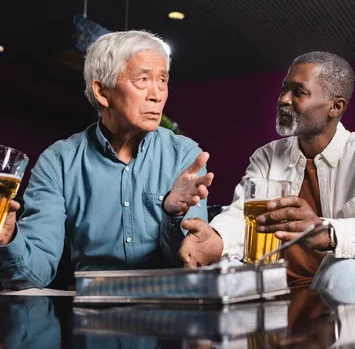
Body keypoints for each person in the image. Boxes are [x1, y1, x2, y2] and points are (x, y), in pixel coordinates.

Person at [177, 51, 355, 289]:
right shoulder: (267, 156)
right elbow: (243, 215)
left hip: (349, 289)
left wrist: (327, 232)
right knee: (223, 274)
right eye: (284, 90)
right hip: (276, 284)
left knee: (344, 266)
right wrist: (217, 238)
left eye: (298, 92)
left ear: (336, 106)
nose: (283, 100)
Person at [0, 31, 214, 289]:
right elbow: (35, 273)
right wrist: (8, 238)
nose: (157, 94)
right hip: (90, 314)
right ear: (102, 92)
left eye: (162, 80)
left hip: (167, 313)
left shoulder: (185, 155)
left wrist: (174, 214)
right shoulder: (58, 161)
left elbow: (189, 262)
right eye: (143, 79)